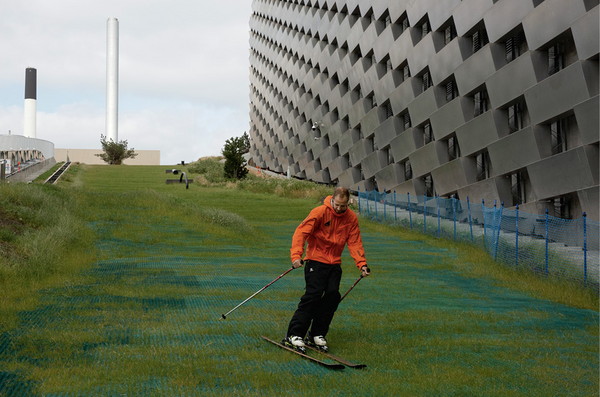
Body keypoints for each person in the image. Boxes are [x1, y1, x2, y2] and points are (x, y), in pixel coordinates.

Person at [284, 187, 370, 352]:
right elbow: (301, 232)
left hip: (334, 263)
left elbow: (354, 242)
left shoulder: (351, 218)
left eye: (343, 206)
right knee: (313, 296)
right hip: (315, 261)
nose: (339, 209)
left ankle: (317, 334)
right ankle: (294, 334)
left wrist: (362, 264)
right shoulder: (320, 212)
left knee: (332, 296)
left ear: (348, 204)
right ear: (332, 200)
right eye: (336, 205)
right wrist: (296, 256)